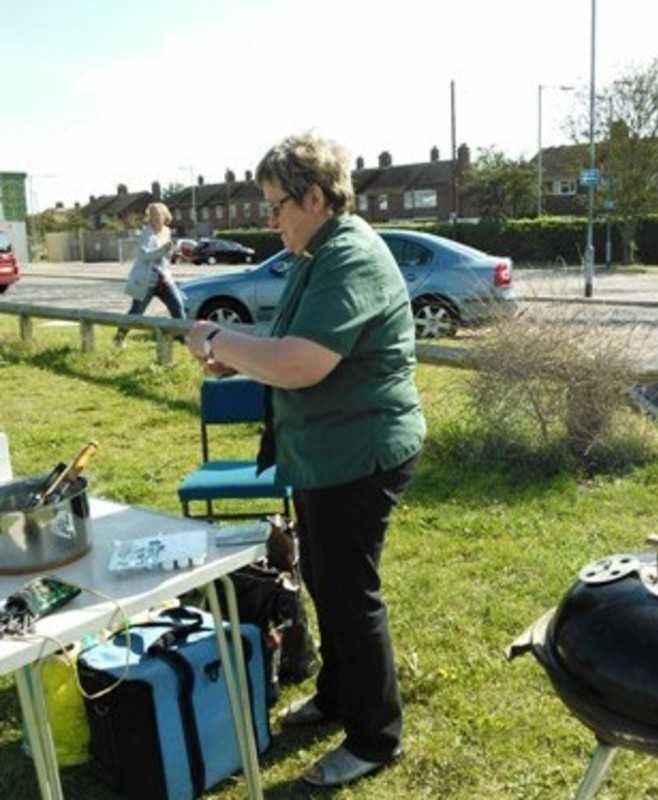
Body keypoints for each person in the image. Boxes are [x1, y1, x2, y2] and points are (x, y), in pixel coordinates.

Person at [186, 132, 426, 787]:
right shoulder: (315, 253)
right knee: (323, 576)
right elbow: (290, 342)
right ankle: (338, 697)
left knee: (350, 594)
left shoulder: (349, 256)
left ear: (315, 197)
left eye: (276, 206)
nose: (270, 220)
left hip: (361, 452)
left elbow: (301, 363)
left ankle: (375, 738)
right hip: (325, 453)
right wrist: (235, 353)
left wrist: (219, 337)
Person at [114, 202, 186, 346]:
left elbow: (165, 256)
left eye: (158, 215)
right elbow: (144, 255)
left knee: (177, 306)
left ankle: (181, 337)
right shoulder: (146, 233)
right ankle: (119, 338)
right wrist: (164, 250)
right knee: (136, 312)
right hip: (147, 281)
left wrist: (173, 252)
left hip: (164, 279)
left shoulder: (167, 231)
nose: (155, 218)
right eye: (152, 215)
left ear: (165, 216)